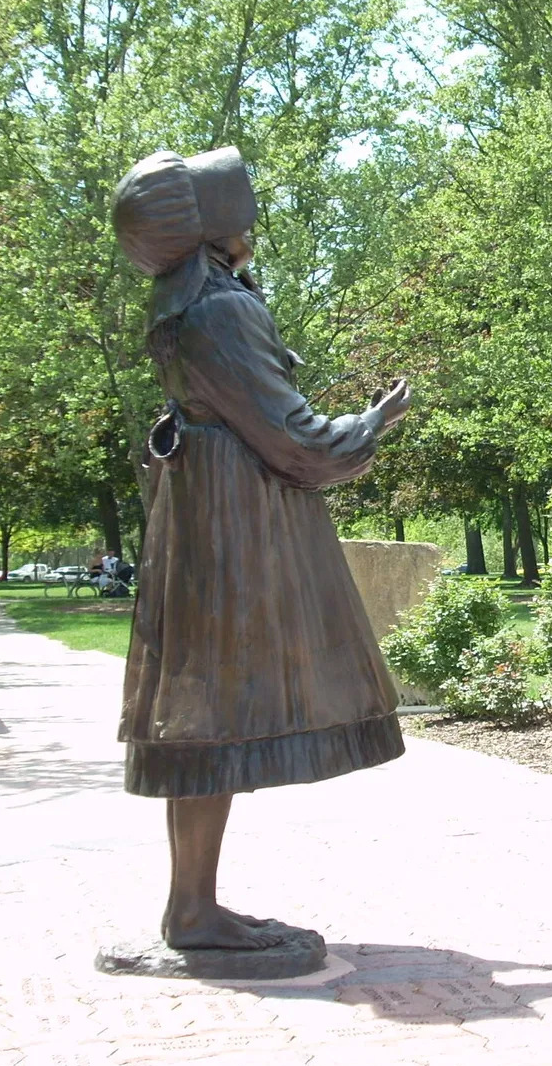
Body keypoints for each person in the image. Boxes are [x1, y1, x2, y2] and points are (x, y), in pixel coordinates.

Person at [112, 146, 411, 951]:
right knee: (212, 719)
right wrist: (372, 425)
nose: (251, 222)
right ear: (209, 225)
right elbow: (297, 442)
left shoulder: (183, 305)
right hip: (235, 527)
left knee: (202, 720)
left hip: (200, 516)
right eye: (237, 209)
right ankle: (193, 912)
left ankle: (192, 906)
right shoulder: (220, 310)